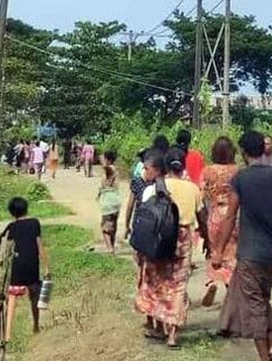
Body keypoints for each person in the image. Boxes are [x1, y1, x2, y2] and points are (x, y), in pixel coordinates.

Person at [213, 131, 272, 361]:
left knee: (255, 306)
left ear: (244, 153)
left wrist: (218, 250)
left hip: (250, 253)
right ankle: (271, 349)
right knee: (263, 300)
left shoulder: (241, 179)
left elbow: (230, 217)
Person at [135, 147, 207, 349]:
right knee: (177, 286)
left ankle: (158, 327)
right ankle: (173, 335)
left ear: (166, 166)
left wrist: (139, 249)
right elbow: (202, 218)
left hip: (159, 239)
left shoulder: (154, 188)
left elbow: (145, 219)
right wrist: (208, 240)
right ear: (183, 167)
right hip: (183, 239)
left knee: (155, 282)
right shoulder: (193, 189)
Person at [0, 197, 49, 341]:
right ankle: (36, 326)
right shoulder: (34, 223)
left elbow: (5, 246)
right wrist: (47, 266)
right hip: (32, 265)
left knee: (12, 298)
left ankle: (8, 334)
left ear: (12, 212)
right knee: (34, 295)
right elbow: (39, 246)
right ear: (26, 208)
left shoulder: (12, 227)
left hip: (18, 265)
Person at [201, 136, 240, 307]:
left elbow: (203, 197)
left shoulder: (208, 171)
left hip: (215, 215)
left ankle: (213, 280)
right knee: (231, 255)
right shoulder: (237, 171)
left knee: (215, 251)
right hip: (233, 215)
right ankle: (230, 284)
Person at [98, 151, 121, 254]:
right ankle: (112, 245)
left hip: (108, 200)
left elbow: (107, 169)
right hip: (115, 199)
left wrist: (104, 163)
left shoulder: (110, 169)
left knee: (105, 225)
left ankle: (110, 248)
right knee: (113, 224)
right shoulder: (115, 169)